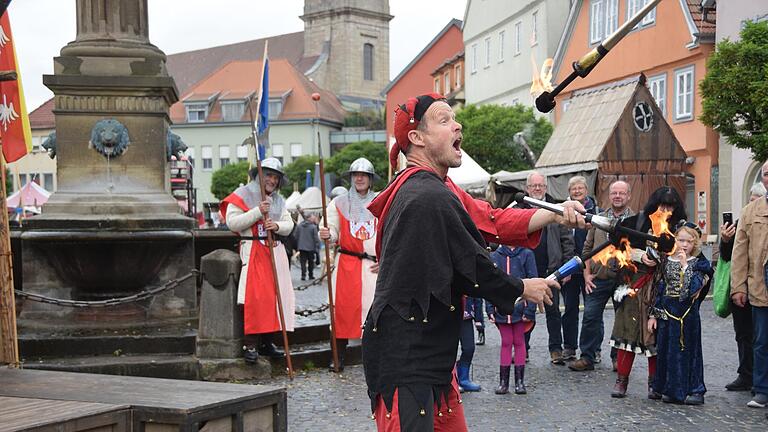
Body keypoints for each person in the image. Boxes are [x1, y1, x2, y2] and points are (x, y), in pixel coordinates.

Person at [362, 93, 586, 431]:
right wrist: (522, 286)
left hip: (432, 356)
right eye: (444, 120)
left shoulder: (440, 189)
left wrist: (552, 215)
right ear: (417, 138)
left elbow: (490, 219)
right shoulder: (426, 195)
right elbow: (471, 264)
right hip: (407, 360)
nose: (458, 124)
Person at [608, 186, 687, 398]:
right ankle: (621, 381)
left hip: (665, 288)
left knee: (656, 338)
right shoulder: (637, 223)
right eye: (662, 205)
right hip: (635, 285)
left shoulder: (681, 229)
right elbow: (618, 247)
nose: (666, 210)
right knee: (627, 333)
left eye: (670, 206)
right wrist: (641, 255)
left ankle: (655, 383)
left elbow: (692, 252)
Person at [220, 158, 295, 362]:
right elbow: (232, 222)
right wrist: (257, 212)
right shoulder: (242, 194)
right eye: (268, 175)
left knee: (274, 297)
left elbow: (290, 224)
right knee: (255, 298)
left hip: (274, 251)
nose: (271, 180)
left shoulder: (279, 200)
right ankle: (250, 344)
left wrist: (277, 226)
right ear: (258, 176)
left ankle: (267, 341)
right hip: (253, 249)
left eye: (275, 177)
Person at [319, 158, 380, 372]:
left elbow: (392, 233)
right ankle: (338, 357)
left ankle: (376, 358)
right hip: (347, 264)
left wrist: (386, 259)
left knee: (374, 312)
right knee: (342, 310)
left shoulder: (381, 201)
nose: (360, 178)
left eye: (364, 175)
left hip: (374, 267)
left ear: (371, 179)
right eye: (356, 175)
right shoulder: (338, 203)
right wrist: (328, 234)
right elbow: (332, 230)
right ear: (351, 178)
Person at [569, 180, 633, 372]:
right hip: (599, 277)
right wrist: (586, 275)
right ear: (609, 196)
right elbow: (587, 249)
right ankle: (587, 357)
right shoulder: (598, 219)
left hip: (624, 280)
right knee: (590, 317)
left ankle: (618, 358)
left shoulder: (636, 221)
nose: (618, 196)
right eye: (614, 193)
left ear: (628, 196)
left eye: (622, 193)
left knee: (622, 319)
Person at [649, 222, 712, 405]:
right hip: (668, 314)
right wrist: (654, 315)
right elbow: (660, 289)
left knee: (688, 351)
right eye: (681, 240)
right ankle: (669, 388)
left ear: (695, 244)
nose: (684, 245)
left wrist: (685, 266)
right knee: (667, 351)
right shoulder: (667, 261)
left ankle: (694, 390)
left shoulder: (700, 264)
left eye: (688, 242)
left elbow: (689, 292)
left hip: (687, 315)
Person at [522, 172, 576, 365]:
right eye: (534, 185)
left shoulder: (556, 208)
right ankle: (523, 349)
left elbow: (567, 241)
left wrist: (566, 268)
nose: (537, 188)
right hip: (527, 271)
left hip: (551, 269)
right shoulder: (520, 208)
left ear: (546, 187)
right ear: (527, 188)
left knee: (553, 313)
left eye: (541, 185)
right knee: (525, 312)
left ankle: (556, 350)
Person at [720, 182, 766, 392]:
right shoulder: (743, 220)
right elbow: (730, 256)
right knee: (746, 334)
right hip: (746, 283)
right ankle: (747, 374)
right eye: (752, 200)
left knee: (759, 337)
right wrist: (725, 240)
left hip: (759, 283)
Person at [731, 160, 768, 408]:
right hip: (760, 287)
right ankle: (762, 388)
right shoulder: (751, 211)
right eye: (767, 174)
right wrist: (738, 287)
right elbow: (739, 252)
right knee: (761, 341)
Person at [488, 245, 538, 395]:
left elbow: (534, 281)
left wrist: (530, 309)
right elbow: (489, 285)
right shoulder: (495, 256)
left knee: (519, 341)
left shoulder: (527, 254)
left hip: (521, 308)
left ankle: (519, 382)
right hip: (501, 308)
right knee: (506, 342)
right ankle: (503, 383)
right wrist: (490, 308)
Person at [562, 176, 598, 361]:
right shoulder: (563, 211)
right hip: (571, 267)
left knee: (593, 311)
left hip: (590, 267)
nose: (576, 191)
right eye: (573, 189)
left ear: (586, 190)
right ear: (569, 192)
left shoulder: (595, 211)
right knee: (570, 309)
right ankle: (569, 346)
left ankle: (594, 349)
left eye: (580, 188)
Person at [295, 213, 320, 280]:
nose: (313, 219)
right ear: (309, 218)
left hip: (301, 247)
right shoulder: (313, 227)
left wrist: (297, 245)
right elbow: (316, 238)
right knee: (310, 262)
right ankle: (310, 275)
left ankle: (303, 275)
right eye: (312, 218)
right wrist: (317, 246)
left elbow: (296, 236)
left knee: (302, 262)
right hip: (311, 247)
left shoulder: (299, 226)